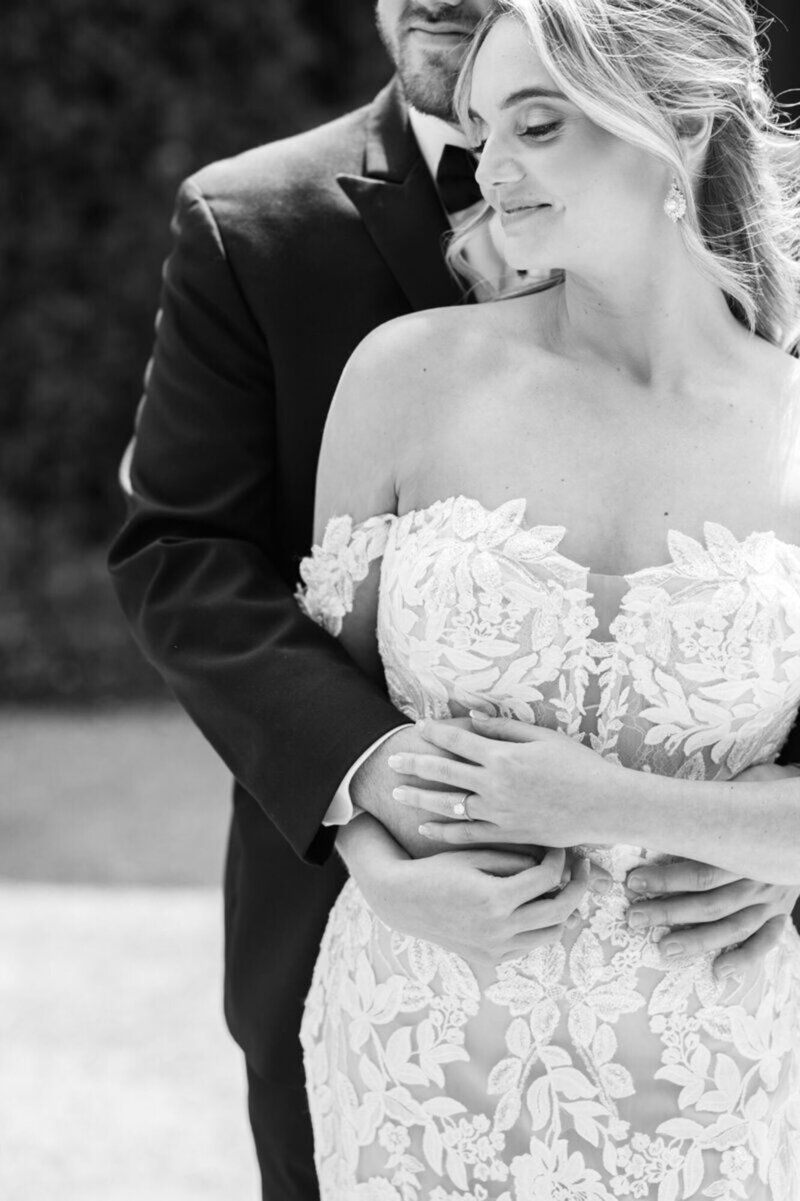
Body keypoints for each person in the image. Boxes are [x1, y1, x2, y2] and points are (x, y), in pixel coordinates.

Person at [108, 1, 796, 1196]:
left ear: (674, 125)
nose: (491, 165)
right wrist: (370, 846)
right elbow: (243, 598)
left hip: (709, 1059)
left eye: (537, 122)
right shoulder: (400, 369)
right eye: (485, 128)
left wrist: (674, 818)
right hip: (416, 1030)